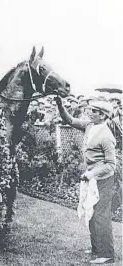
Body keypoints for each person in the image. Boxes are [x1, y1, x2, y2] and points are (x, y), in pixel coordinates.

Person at [55, 97, 116, 264]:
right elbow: (69, 120)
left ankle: (106, 253)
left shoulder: (106, 136)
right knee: (90, 211)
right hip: (91, 178)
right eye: (90, 110)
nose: (90, 113)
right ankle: (96, 248)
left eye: (94, 111)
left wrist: (92, 173)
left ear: (103, 116)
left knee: (100, 214)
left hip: (103, 179)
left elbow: (111, 165)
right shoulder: (90, 126)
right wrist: (60, 105)